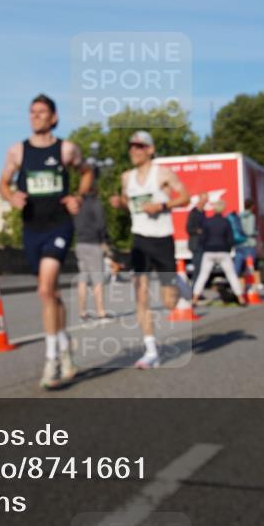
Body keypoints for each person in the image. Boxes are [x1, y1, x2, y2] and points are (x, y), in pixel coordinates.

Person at [0, 94, 93, 389]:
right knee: (51, 293)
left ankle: (51, 359)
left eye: (41, 113)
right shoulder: (17, 151)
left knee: (44, 289)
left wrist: (78, 196)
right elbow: (4, 182)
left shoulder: (66, 149)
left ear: (53, 117)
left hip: (59, 225)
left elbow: (87, 172)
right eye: (32, 112)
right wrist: (10, 195)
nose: (35, 117)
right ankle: (66, 347)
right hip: (32, 228)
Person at [109, 130, 190, 369]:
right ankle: (151, 350)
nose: (134, 150)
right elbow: (128, 205)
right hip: (140, 239)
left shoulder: (163, 174)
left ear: (151, 150)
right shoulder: (126, 177)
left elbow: (185, 197)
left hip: (163, 238)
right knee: (140, 295)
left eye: (140, 146)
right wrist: (119, 204)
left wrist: (162, 204)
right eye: (131, 146)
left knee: (169, 303)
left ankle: (179, 283)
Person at [191, 199, 246, 306]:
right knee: (231, 275)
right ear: (223, 209)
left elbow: (202, 238)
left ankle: (194, 299)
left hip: (209, 251)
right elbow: (230, 239)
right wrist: (228, 249)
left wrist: (205, 247)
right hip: (223, 251)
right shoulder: (226, 222)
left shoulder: (207, 222)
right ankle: (241, 298)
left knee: (203, 276)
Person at [74, 191, 110, 320]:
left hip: (80, 243)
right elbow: (101, 224)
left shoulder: (78, 203)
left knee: (83, 278)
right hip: (94, 243)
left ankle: (82, 311)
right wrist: (105, 240)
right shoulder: (95, 203)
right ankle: (100, 311)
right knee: (97, 279)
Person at [232, 198, 259, 288]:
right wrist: (256, 232)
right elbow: (250, 231)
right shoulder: (251, 216)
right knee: (249, 266)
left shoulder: (239, 215)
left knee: (237, 267)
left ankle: (233, 285)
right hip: (248, 244)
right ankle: (250, 286)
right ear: (252, 206)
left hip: (239, 244)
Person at [186, 195, 206, 285]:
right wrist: (198, 230)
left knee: (201, 268)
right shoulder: (193, 213)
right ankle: (195, 289)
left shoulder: (203, 213)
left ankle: (198, 289)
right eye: (204, 200)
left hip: (202, 243)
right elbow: (188, 228)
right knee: (197, 268)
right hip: (196, 244)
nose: (205, 202)